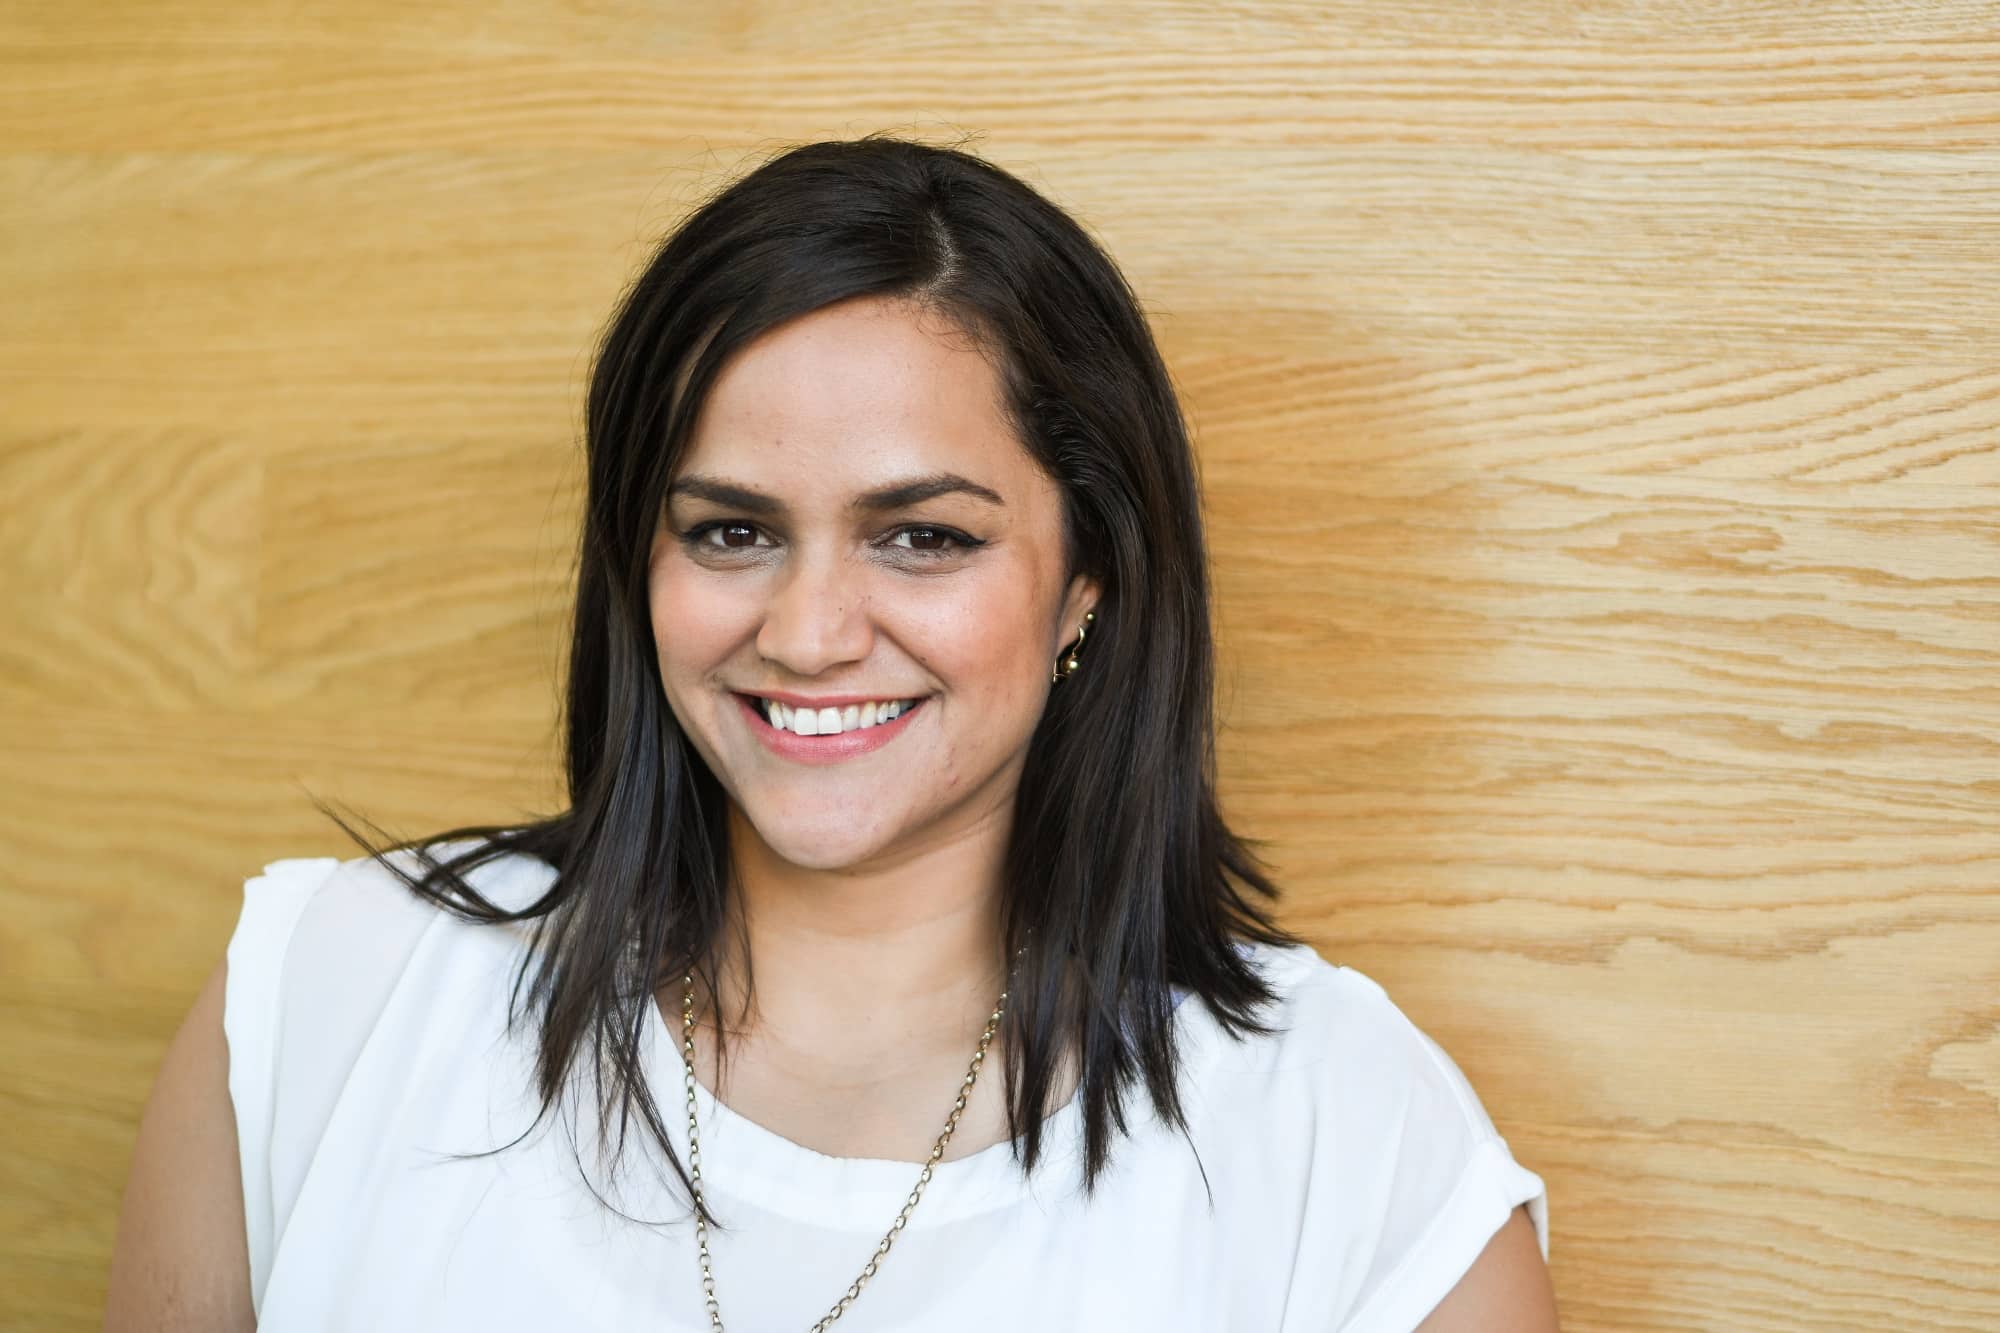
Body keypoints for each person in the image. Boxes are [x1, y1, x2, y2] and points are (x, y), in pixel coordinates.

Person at [105, 134, 1558, 1331]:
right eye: (731, 529)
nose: (806, 631)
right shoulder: (321, 1001)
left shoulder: (1351, 1145)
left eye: (922, 537)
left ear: (1086, 583)